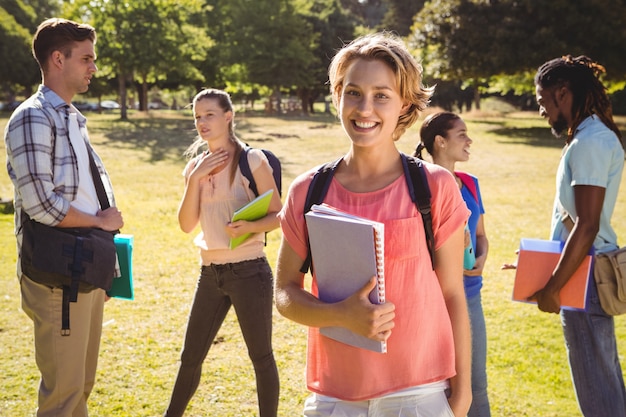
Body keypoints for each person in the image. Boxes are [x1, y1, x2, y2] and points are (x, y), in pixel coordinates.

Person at [275, 32, 472, 417]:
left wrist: (462, 397)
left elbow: (453, 295)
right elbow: (284, 293)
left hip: (420, 393)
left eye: (381, 95)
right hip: (335, 398)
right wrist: (341, 315)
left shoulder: (434, 187)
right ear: (337, 96)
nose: (365, 109)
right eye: (353, 92)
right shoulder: (308, 191)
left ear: (404, 104)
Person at [4, 18, 124, 416]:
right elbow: (41, 204)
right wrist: (100, 224)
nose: (94, 67)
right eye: (86, 58)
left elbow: (85, 194)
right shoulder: (33, 117)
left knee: (80, 388)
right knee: (64, 398)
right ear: (58, 58)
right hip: (58, 276)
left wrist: (105, 263)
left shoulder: (70, 117)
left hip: (83, 266)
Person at [163, 88, 281, 417]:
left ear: (228, 117)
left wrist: (250, 227)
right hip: (210, 273)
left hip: (249, 271)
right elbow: (187, 225)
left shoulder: (251, 160)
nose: (202, 122)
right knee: (190, 357)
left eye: (209, 115)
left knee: (261, 357)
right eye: (197, 117)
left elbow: (279, 215)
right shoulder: (194, 169)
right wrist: (195, 179)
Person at [532, 55, 626, 416]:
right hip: (580, 270)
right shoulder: (589, 137)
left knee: (598, 388)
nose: (542, 110)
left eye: (543, 101)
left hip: (583, 277)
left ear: (563, 93)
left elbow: (587, 225)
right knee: (603, 378)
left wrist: (554, 286)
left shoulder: (590, 142)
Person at [414, 111, 491, 417]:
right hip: (430, 299)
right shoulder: (419, 186)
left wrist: (482, 256)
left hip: (470, 294)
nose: (469, 140)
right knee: (437, 385)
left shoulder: (470, 184)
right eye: (462, 134)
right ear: (440, 142)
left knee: (476, 382)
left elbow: (481, 234)